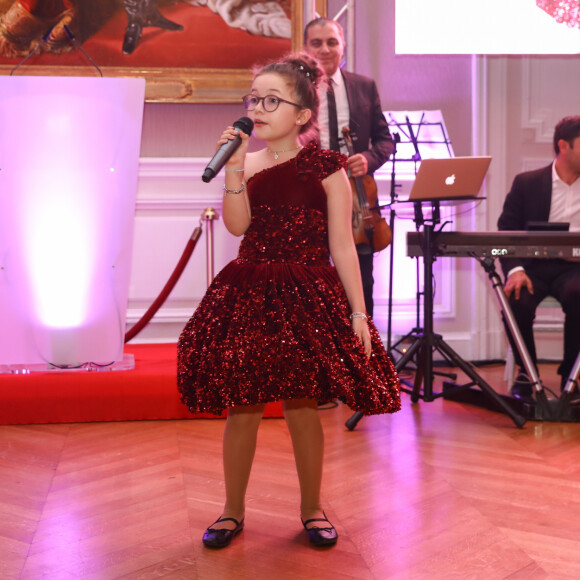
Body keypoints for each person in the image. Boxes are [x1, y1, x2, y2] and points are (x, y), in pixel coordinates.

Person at [177, 52, 401, 549]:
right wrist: (235, 167)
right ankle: (232, 511)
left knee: (302, 406)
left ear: (302, 115)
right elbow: (237, 227)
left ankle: (312, 509)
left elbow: (343, 245)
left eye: (271, 100)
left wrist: (358, 313)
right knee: (244, 407)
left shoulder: (327, 168)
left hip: (308, 294)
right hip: (251, 291)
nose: (257, 108)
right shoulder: (247, 160)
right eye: (253, 99)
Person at [303, 17, 394, 318]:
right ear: (306, 48)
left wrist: (368, 158)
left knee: (361, 282)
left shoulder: (364, 87)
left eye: (332, 42)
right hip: (310, 199)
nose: (325, 49)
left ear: (343, 46)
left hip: (358, 202)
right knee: (311, 283)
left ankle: (363, 356)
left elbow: (385, 140)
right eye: (317, 43)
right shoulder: (296, 90)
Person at [497, 115, 580, 399]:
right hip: (532, 267)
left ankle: (572, 376)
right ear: (563, 146)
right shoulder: (527, 183)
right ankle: (527, 373)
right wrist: (515, 269)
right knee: (515, 298)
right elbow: (506, 230)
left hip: (575, 269)